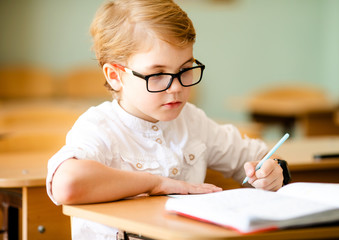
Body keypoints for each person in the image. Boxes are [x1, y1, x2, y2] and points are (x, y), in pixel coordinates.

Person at [46, 0, 285, 239]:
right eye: (158, 74)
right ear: (115, 76)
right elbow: (67, 183)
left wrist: (271, 171)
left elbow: (258, 158)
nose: (177, 87)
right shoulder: (99, 127)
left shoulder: (192, 121)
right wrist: (155, 184)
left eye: (185, 69)